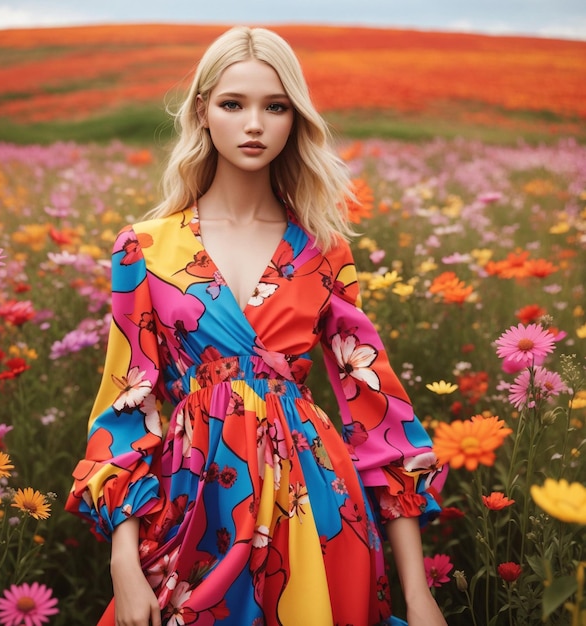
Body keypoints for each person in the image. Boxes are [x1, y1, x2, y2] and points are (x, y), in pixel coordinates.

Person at [65, 26, 448, 626]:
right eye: (232, 104)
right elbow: (124, 404)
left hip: (316, 503)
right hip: (195, 501)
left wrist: (418, 594)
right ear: (202, 112)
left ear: (295, 119)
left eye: (275, 107)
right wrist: (123, 562)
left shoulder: (324, 251)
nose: (254, 125)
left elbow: (378, 414)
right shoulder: (145, 248)